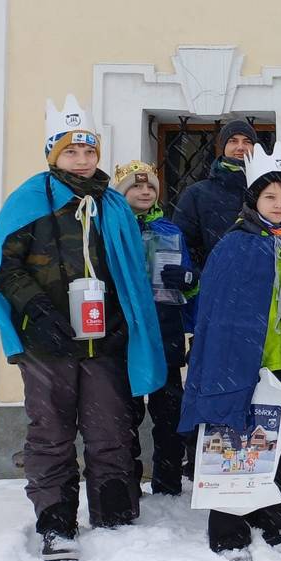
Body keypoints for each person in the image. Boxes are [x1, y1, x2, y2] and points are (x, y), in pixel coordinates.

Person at [0, 96, 165, 561]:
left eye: (89, 151)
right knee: (52, 433)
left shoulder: (113, 206)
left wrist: (123, 322)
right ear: (53, 155)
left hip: (104, 341)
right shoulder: (29, 201)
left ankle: (116, 516)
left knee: (111, 430)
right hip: (48, 343)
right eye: (71, 151)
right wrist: (39, 309)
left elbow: (126, 273)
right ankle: (56, 522)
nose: (82, 160)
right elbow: (6, 266)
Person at [177, 139, 281, 561]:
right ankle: (228, 527)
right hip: (242, 361)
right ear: (254, 199)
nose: (279, 204)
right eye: (270, 196)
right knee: (233, 442)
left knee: (280, 446)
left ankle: (272, 517)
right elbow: (216, 310)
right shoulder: (235, 244)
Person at [112, 161, 199, 497]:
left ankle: (167, 482)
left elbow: (190, 286)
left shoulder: (170, 231)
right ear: (122, 192)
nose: (145, 192)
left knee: (169, 413)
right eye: (136, 186)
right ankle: (127, 481)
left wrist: (189, 279)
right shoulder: (113, 230)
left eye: (150, 187)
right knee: (124, 413)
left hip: (166, 333)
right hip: (125, 336)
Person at [172, 119, 258, 269]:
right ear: (223, 147)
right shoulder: (197, 193)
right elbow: (182, 244)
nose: (240, 147)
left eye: (247, 141)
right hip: (214, 283)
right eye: (233, 141)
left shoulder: (268, 191)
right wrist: (199, 277)